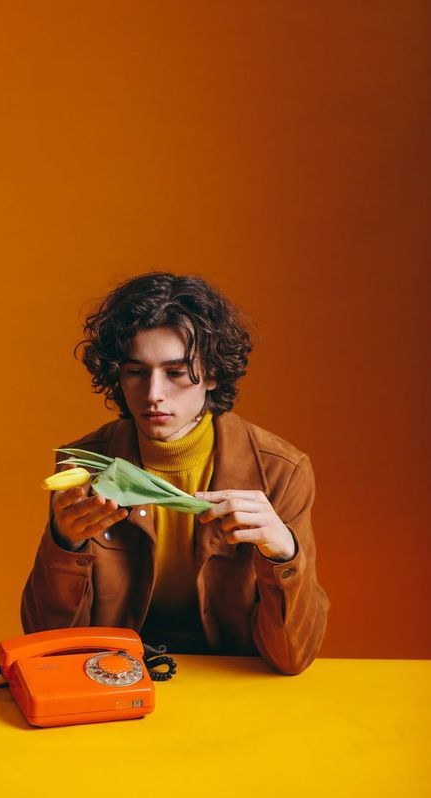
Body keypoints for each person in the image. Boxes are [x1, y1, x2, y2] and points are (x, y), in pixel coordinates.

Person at [21, 272, 329, 674]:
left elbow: (293, 657)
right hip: (118, 678)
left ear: (212, 374)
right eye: (135, 372)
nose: (153, 394)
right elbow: (46, 645)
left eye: (176, 372)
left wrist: (283, 554)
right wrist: (65, 546)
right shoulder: (83, 465)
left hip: (232, 684)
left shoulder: (280, 471)